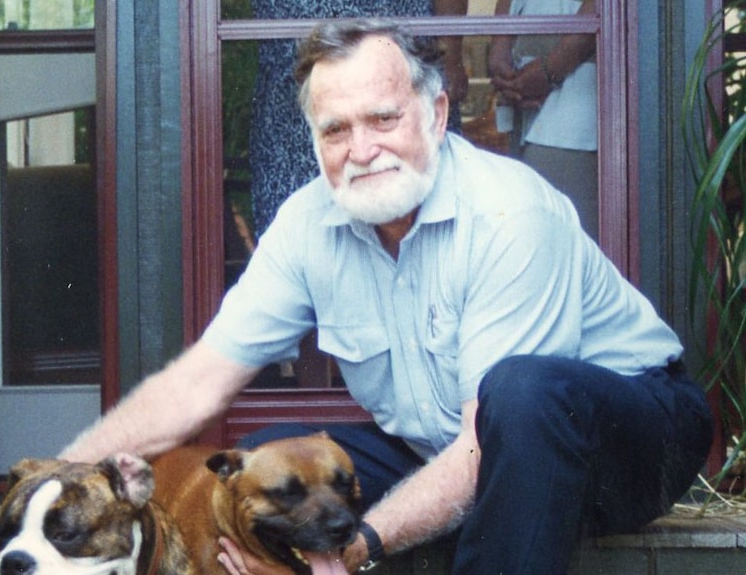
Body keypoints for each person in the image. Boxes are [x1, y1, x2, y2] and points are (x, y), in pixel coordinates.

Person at [62, 19, 713, 575]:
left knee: (520, 396)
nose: (362, 150)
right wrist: (59, 475)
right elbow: (197, 384)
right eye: (335, 130)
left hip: (632, 436)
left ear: (434, 113)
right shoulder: (305, 223)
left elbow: (484, 444)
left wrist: (358, 545)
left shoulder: (511, 212)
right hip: (447, 443)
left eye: (382, 118)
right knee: (263, 465)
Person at [248, 0, 469, 238]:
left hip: (398, 64)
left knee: (433, 228)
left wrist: (451, 51)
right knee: (298, 233)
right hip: (289, 89)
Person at [489, 0, 599, 239]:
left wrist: (551, 70)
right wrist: (500, 42)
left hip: (571, 105)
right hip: (525, 103)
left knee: (558, 243)